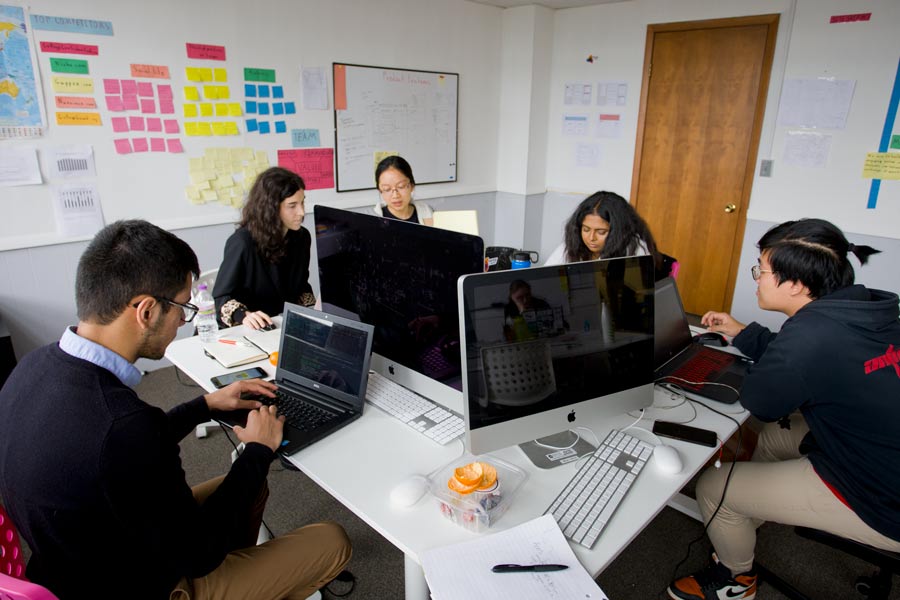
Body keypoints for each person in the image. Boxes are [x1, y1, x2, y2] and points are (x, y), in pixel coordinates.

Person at [0, 220, 351, 600]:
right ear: (147, 311)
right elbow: (196, 555)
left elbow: (115, 455)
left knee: (248, 487)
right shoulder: (123, 427)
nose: (184, 320)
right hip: (147, 584)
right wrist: (258, 450)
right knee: (331, 540)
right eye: (182, 307)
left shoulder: (31, 367)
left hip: (75, 561)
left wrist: (203, 406)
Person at [667, 218, 900, 600]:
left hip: (879, 498)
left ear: (795, 284)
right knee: (776, 435)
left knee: (712, 488)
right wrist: (743, 332)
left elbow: (760, 401)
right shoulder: (865, 310)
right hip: (878, 457)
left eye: (762, 270)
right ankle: (745, 513)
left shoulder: (809, 334)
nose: (757, 279)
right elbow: (809, 357)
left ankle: (735, 580)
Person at [214, 166, 316, 330]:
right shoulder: (242, 242)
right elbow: (222, 297)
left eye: (302, 202)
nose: (302, 212)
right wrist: (245, 315)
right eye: (292, 205)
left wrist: (315, 309)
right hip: (246, 328)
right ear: (272, 207)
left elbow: (301, 285)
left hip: (279, 323)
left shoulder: (302, 237)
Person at [544, 191, 663, 271]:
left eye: (601, 232)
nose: (591, 238)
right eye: (586, 229)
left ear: (618, 232)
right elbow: (545, 273)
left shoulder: (635, 250)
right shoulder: (574, 243)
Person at [372, 155, 434, 225]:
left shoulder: (427, 212)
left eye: (401, 187)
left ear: (411, 186)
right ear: (380, 190)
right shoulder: (373, 219)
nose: (395, 195)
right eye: (387, 189)